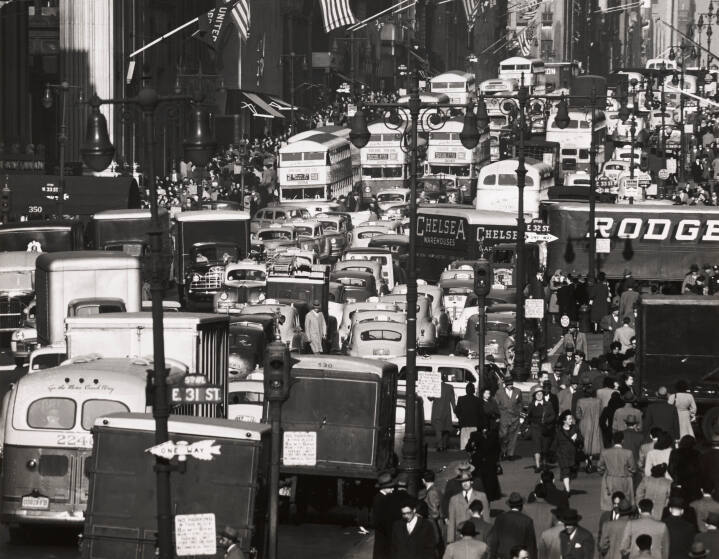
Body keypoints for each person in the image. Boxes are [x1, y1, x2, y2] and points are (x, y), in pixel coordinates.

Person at [486, 493, 537, 559]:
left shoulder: (499, 518)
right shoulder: (527, 521)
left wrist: (492, 557)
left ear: (510, 505)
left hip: (502, 556)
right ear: (521, 505)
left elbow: (494, 541)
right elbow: (531, 545)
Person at [447, 470, 490, 544]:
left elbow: (486, 517)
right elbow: (451, 522)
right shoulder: (454, 499)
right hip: (460, 537)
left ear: (471, 481)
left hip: (477, 537)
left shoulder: (481, 496)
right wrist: (450, 540)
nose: (465, 484)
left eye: (467, 481)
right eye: (463, 482)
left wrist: (488, 538)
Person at [597, 431, 636, 511]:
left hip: (610, 479)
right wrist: (629, 474)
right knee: (624, 500)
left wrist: (603, 473)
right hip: (624, 479)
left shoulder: (605, 452)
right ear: (622, 440)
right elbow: (633, 468)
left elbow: (600, 466)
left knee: (610, 501)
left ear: (613, 440)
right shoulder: (628, 453)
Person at [466, 426, 502, 502]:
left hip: (483, 462)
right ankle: (488, 497)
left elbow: (468, 448)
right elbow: (498, 449)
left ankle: (485, 497)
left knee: (484, 481)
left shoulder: (476, 435)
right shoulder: (492, 435)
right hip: (485, 463)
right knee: (486, 481)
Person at [527, 386, 557, 473]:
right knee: (536, 447)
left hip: (545, 428)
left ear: (543, 395)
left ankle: (544, 464)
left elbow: (553, 415)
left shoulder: (548, 404)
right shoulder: (532, 405)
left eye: (541, 394)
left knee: (545, 447)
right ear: (535, 395)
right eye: (537, 394)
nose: (539, 395)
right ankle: (538, 465)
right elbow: (528, 416)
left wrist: (547, 421)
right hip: (535, 428)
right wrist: (529, 424)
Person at [575, 383, 602, 472]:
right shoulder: (598, 401)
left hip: (584, 424)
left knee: (585, 443)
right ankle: (590, 460)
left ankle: (587, 461)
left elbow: (578, 415)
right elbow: (600, 413)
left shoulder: (580, 401)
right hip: (595, 423)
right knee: (593, 443)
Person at [495, 375, 523, 461]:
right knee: (503, 435)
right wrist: (498, 415)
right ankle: (503, 451)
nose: (511, 385)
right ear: (505, 384)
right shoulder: (499, 392)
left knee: (513, 436)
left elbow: (520, 403)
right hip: (504, 417)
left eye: (511, 384)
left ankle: (510, 454)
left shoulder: (518, 391)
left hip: (514, 417)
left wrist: (518, 412)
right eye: (509, 384)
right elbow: (496, 405)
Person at [668, 435, 702, 505]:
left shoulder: (675, 453)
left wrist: (676, 478)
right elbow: (700, 469)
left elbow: (671, 469)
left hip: (680, 482)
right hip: (693, 484)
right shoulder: (697, 453)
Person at [555, 410, 582, 493]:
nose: (571, 420)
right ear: (564, 420)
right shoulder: (559, 430)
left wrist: (576, 439)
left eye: (571, 418)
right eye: (569, 419)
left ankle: (566, 487)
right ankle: (567, 491)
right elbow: (555, 443)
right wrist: (555, 453)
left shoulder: (575, 428)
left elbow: (581, 439)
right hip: (563, 454)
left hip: (573, 455)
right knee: (565, 471)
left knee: (571, 473)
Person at [372, 471, 398, 559]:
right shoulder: (379, 499)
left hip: (385, 533)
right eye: (391, 487)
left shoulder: (384, 497)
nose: (393, 489)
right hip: (383, 534)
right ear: (384, 488)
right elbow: (378, 520)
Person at [419, 470, 444, 553]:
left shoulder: (431, 492)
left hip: (434, 524)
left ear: (423, 480)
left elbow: (434, 513)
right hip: (438, 523)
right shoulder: (437, 489)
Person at [431, 381, 457, 452]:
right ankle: (445, 445)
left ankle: (440, 446)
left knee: (438, 430)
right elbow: (453, 400)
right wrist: (455, 410)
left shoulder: (435, 386)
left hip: (437, 411)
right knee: (446, 429)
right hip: (446, 411)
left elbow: (430, 398)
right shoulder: (450, 387)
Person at [457, 382, 482, 451]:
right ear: (474, 390)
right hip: (474, 424)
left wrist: (460, 418)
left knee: (464, 446)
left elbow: (457, 411)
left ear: (466, 390)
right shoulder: (478, 400)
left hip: (464, 424)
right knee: (473, 446)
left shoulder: (461, 399)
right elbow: (480, 413)